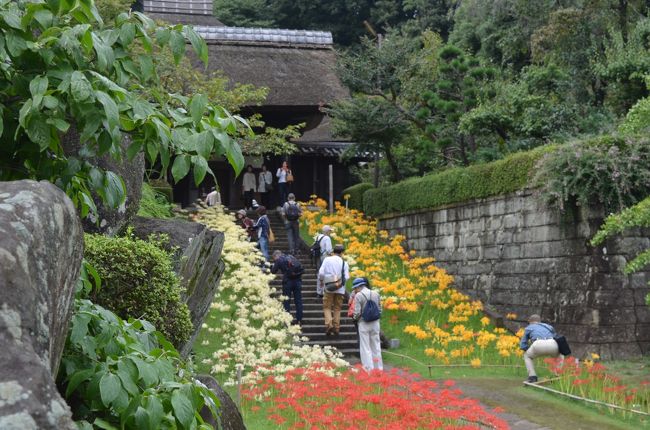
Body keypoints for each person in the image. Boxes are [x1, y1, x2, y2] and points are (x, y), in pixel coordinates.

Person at [318, 244, 349, 336]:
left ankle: (329, 324)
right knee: (337, 308)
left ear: (333, 251)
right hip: (340, 289)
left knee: (327, 307)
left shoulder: (327, 259)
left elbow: (321, 272)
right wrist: (338, 282)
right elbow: (346, 277)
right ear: (342, 252)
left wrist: (321, 280)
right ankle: (336, 327)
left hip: (329, 287)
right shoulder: (344, 263)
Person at [352, 277, 383, 371]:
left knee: (365, 347)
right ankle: (379, 368)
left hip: (363, 323)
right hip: (375, 323)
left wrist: (355, 318)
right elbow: (380, 309)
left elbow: (357, 312)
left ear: (358, 287)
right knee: (376, 346)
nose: (354, 290)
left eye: (355, 288)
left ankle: (369, 369)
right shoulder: (375, 293)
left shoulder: (358, 296)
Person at [520, 314, 560, 383]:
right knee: (560, 354)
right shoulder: (549, 326)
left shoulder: (529, 327)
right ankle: (556, 374)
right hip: (553, 343)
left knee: (527, 356)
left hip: (538, 343)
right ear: (539, 321)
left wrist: (529, 349)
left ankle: (532, 377)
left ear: (530, 321)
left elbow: (523, 345)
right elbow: (556, 336)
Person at [270, 250, 304, 325]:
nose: (275, 260)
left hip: (287, 282)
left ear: (276, 256)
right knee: (298, 300)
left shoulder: (279, 260)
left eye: (274, 258)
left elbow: (273, 271)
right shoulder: (290, 257)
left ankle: (287, 320)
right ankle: (299, 320)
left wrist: (271, 266)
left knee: (286, 301)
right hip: (297, 281)